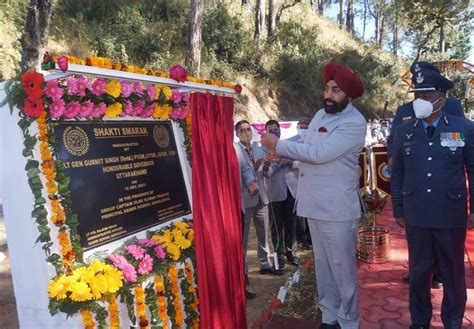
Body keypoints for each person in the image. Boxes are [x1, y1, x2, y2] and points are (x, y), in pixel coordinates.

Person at [261, 63, 366, 329]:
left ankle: (349, 321)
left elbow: (320, 155)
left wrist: (278, 145)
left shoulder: (354, 122)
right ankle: (329, 316)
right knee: (323, 267)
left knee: (342, 269)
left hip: (337, 209)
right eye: (327, 89)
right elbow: (306, 145)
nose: (329, 95)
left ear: (348, 95)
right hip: (313, 205)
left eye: (336, 91)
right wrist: (284, 152)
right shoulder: (320, 114)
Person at [390, 63, 474, 329]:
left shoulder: (464, 128)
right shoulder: (405, 131)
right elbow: (398, 173)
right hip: (417, 214)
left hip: (450, 213)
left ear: (441, 97)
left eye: (427, 95)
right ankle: (420, 322)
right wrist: (399, 208)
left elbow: (473, 170)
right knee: (418, 273)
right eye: (417, 95)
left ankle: (452, 322)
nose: (421, 101)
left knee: (453, 274)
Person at [233, 120, 283, 294]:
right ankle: (243, 272)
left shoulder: (258, 148)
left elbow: (270, 170)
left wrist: (268, 165)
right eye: (242, 130)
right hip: (245, 200)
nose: (246, 132)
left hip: (261, 197)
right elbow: (239, 173)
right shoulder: (235, 150)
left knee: (263, 234)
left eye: (248, 129)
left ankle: (265, 264)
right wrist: (254, 171)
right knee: (244, 239)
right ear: (237, 133)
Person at [261, 119, 299, 268]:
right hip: (275, 193)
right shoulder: (261, 149)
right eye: (271, 130)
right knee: (276, 226)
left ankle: (291, 252)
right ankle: (279, 256)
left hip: (291, 190)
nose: (275, 132)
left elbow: (297, 162)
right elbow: (264, 172)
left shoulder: (287, 146)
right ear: (266, 133)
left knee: (291, 223)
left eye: (276, 129)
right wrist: (276, 163)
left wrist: (288, 161)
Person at [287, 117, 313, 250]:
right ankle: (301, 238)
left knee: (310, 212)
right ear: (297, 127)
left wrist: (294, 163)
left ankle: (310, 237)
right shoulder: (290, 142)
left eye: (306, 127)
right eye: (301, 127)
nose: (303, 129)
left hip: (310, 182)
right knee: (297, 213)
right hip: (294, 183)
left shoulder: (314, 142)